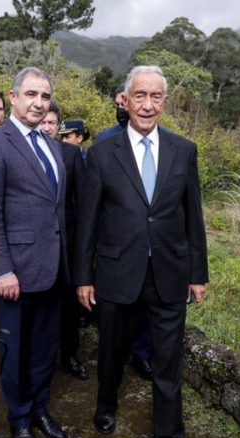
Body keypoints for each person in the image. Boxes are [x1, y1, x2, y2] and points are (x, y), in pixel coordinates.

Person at [74, 65, 208, 438]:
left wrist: (198, 273)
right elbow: (88, 222)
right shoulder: (100, 154)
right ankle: (106, 405)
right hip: (116, 273)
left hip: (170, 273)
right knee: (112, 351)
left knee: (168, 364)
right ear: (125, 100)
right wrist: (84, 277)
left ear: (164, 102)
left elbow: (193, 216)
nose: (147, 105)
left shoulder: (184, 150)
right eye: (140, 96)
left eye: (156, 97)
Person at [0, 68, 68, 438]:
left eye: (45, 96)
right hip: (16, 271)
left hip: (53, 267)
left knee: (45, 348)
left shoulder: (51, 144)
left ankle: (41, 407)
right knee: (15, 352)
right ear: (13, 97)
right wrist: (2, 268)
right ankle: (20, 419)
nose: (39, 103)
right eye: (31, 94)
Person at [95, 84, 154, 381]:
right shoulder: (104, 141)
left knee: (144, 312)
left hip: (148, 249)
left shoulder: (156, 142)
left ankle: (141, 355)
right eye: (120, 101)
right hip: (116, 248)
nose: (123, 106)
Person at [41, 100, 88, 381]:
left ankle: (70, 355)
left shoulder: (70, 154)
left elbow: (81, 202)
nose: (47, 127)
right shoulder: (27, 152)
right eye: (43, 121)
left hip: (68, 242)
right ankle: (44, 358)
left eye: (51, 123)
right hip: (37, 245)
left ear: (58, 127)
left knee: (69, 305)